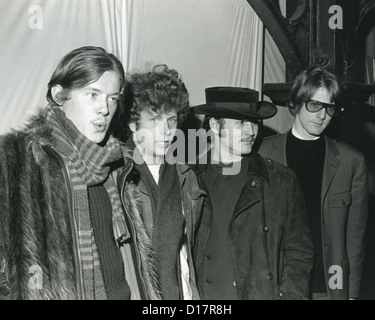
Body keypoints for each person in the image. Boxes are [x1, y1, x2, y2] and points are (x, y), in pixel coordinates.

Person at [0, 46, 160, 300]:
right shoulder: (14, 161)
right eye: (92, 95)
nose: (105, 110)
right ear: (59, 95)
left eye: (112, 98)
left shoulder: (118, 166)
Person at [191, 86, 314, 300]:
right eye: (240, 123)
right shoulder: (189, 178)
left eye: (254, 122)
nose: (251, 131)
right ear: (214, 125)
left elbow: (299, 251)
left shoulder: (280, 181)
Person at [259, 66, 369, 300]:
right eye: (314, 105)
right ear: (296, 104)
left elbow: (355, 241)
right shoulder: (263, 153)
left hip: (328, 287)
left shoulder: (352, 162)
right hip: (277, 286)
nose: (321, 115)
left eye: (329, 108)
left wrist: (351, 295)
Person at [113, 64, 206, 300]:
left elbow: (185, 254)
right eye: (155, 120)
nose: (166, 131)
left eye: (172, 120)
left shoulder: (186, 177)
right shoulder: (117, 178)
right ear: (134, 124)